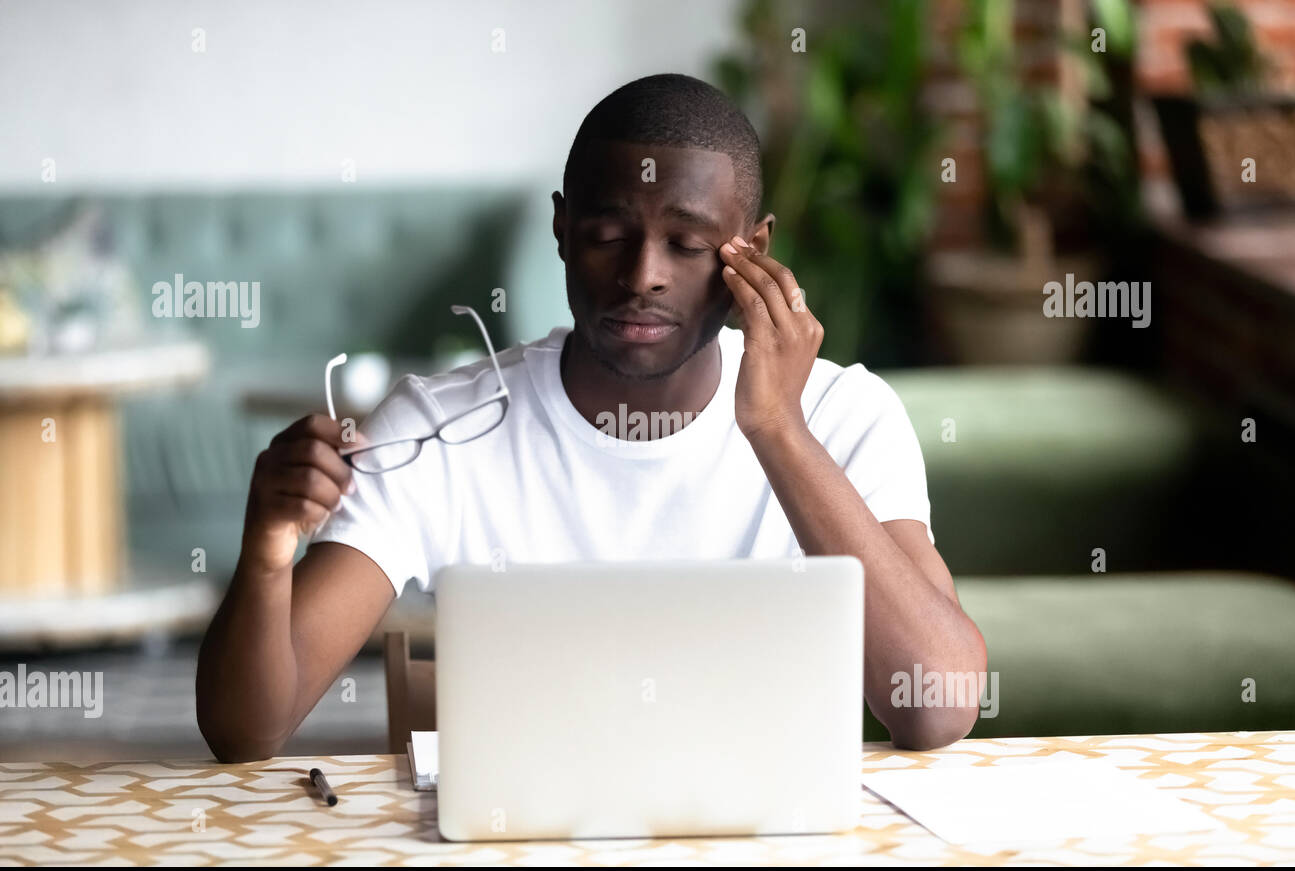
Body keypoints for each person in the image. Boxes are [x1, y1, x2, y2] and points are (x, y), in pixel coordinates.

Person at [197, 73, 986, 762]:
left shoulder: (845, 415)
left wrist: (779, 429)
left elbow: (940, 704)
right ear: (562, 231)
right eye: (609, 235)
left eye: (686, 243)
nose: (643, 276)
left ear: (752, 247)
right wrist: (266, 555)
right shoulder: (441, 429)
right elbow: (247, 731)